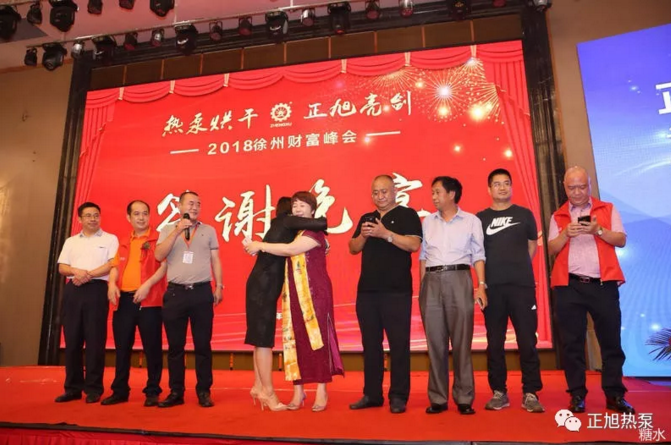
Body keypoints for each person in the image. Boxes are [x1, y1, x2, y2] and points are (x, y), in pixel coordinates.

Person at [244, 191, 344, 412]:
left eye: (302, 205)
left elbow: (290, 250)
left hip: (315, 292)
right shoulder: (293, 231)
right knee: (295, 340)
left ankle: (322, 390)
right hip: (294, 294)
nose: (298, 209)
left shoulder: (313, 233)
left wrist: (260, 245)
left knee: (318, 340)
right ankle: (298, 391)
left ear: (312, 210)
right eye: (295, 205)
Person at [548, 166, 634, 414]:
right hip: (569, 286)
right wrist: (565, 234)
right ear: (564, 188)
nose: (577, 192)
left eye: (581, 187)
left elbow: (621, 240)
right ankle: (577, 395)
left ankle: (615, 395)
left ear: (589, 186)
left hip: (603, 285)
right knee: (572, 344)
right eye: (571, 188)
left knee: (611, 342)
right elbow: (552, 248)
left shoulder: (607, 209)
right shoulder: (558, 215)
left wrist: (598, 230)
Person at [348, 175, 422, 414]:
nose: (380, 196)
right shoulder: (367, 218)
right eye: (375, 192)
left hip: (396, 292)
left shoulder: (407, 215)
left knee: (399, 344)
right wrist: (364, 235)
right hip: (367, 292)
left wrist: (385, 234)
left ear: (394, 191)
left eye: (384, 191)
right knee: (370, 345)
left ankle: (398, 396)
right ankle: (372, 394)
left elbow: (413, 245)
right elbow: (353, 248)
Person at [476, 169, 544, 413]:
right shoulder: (480, 219)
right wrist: (483, 285)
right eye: (497, 184)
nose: (502, 188)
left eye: (506, 183)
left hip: (522, 287)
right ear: (489, 189)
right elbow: (477, 254)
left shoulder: (524, 214)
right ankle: (499, 392)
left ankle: (531, 392)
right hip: (493, 289)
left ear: (512, 186)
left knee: (527, 340)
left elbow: (532, 245)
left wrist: (518, 268)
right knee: (495, 342)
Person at [419, 176, 486, 415]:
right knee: (435, 343)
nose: (434, 197)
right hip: (432, 281)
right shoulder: (427, 222)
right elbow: (423, 257)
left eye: (437, 192)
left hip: (460, 278)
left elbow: (478, 255)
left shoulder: (471, 221)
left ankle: (464, 396)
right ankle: (438, 398)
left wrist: (481, 286)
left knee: (461, 341)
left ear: (451, 194)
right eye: (432, 192)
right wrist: (422, 287)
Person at [154, 191, 223, 408]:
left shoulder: (208, 230)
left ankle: (204, 390)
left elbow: (215, 260)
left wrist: (219, 285)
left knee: (203, 344)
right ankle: (176, 391)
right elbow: (158, 255)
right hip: (176, 294)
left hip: (201, 293)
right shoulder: (167, 229)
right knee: (175, 347)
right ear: (179, 206)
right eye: (190, 203)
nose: (194, 207)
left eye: (198, 204)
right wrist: (177, 230)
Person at [102, 200, 167, 407]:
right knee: (122, 348)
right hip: (124, 301)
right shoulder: (124, 241)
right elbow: (115, 266)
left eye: (145, 213)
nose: (141, 217)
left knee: (152, 348)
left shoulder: (158, 239)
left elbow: (164, 266)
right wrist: (112, 284)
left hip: (150, 300)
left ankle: (152, 391)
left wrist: (147, 285)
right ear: (128, 217)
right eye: (136, 214)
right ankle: (120, 390)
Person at [55, 202, 119, 404]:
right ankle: (72, 388)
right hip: (73, 290)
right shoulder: (71, 241)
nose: (93, 219)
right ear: (79, 219)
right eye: (88, 215)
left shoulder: (110, 239)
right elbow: (62, 267)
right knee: (72, 339)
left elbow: (112, 264)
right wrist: (76, 272)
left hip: (96, 290)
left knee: (95, 340)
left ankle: (93, 388)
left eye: (96, 215)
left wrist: (87, 275)